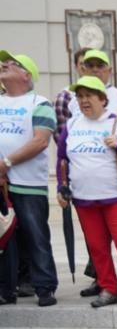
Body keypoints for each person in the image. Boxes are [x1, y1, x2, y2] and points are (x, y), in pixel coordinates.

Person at [56, 76, 117, 310]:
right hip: (83, 198)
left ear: (102, 99)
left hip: (116, 197)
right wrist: (61, 186)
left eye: (89, 95)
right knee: (97, 247)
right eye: (80, 96)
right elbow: (62, 159)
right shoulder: (72, 125)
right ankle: (108, 289)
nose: (83, 100)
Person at [0, 51, 59, 307]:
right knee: (4, 238)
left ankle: (44, 287)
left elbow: (40, 140)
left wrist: (6, 163)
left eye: (11, 64)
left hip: (28, 183)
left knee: (35, 235)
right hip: (2, 183)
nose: (3, 65)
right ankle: (7, 288)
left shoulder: (39, 103)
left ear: (26, 75)